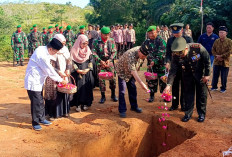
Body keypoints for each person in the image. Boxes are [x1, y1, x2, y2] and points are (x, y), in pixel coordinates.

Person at [24, 38, 68, 131]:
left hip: (38, 81)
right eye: (55, 51)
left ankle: (42, 118)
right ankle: (35, 122)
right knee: (36, 102)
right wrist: (61, 80)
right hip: (33, 81)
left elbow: (50, 66)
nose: (55, 54)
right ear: (51, 49)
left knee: (40, 101)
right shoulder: (41, 55)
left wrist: (59, 72)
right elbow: (49, 70)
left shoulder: (42, 48)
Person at [164, 37, 210, 122]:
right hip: (187, 75)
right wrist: (168, 85)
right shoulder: (176, 54)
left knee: (202, 95)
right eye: (179, 54)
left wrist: (207, 75)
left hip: (200, 75)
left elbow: (207, 60)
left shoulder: (198, 47)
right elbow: (173, 70)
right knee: (188, 95)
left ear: (186, 48)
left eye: (182, 53)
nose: (181, 56)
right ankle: (188, 114)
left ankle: (201, 114)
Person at [115, 45, 150, 118]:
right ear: (139, 51)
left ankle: (134, 106)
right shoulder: (130, 55)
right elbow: (133, 71)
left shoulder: (143, 51)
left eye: (145, 56)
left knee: (133, 89)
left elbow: (136, 67)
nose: (144, 58)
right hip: (122, 72)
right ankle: (122, 110)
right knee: (122, 91)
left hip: (132, 72)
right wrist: (142, 83)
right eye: (143, 56)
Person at [166, 23, 193, 112]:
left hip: (186, 66)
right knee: (174, 86)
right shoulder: (170, 40)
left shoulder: (188, 39)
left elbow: (192, 54)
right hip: (175, 65)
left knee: (185, 86)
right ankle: (174, 104)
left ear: (182, 30)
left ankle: (183, 105)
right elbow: (168, 54)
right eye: (174, 33)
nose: (176, 34)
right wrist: (167, 62)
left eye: (177, 32)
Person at [44, 34, 71, 120]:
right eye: (61, 42)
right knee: (53, 93)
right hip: (52, 76)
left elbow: (69, 61)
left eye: (64, 42)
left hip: (64, 74)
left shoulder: (65, 49)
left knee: (63, 90)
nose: (63, 44)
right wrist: (58, 72)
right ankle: (52, 113)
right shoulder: (50, 50)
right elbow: (49, 66)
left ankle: (64, 111)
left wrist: (68, 69)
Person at [92, 27, 118, 104]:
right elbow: (94, 52)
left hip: (109, 62)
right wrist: (100, 61)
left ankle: (113, 95)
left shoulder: (111, 41)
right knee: (101, 80)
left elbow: (114, 51)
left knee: (112, 78)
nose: (107, 36)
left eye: (108, 34)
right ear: (101, 34)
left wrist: (109, 60)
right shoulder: (96, 41)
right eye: (105, 34)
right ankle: (103, 96)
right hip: (100, 63)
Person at [70, 35, 94, 112]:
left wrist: (88, 69)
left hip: (86, 72)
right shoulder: (74, 50)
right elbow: (71, 61)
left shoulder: (88, 50)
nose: (85, 45)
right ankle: (78, 104)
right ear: (79, 42)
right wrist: (77, 70)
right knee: (78, 88)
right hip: (77, 73)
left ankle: (85, 103)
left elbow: (91, 60)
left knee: (86, 87)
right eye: (83, 43)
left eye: (86, 44)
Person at [144, 26, 167, 102]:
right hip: (151, 66)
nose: (151, 35)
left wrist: (155, 61)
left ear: (156, 32)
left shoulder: (161, 41)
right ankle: (151, 96)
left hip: (161, 65)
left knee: (163, 82)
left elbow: (162, 53)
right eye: (149, 33)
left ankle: (165, 96)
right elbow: (143, 52)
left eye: (152, 33)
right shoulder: (147, 42)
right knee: (151, 81)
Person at [211, 26, 232, 93]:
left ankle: (223, 88)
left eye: (222, 32)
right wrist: (217, 56)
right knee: (215, 75)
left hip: (225, 62)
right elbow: (213, 49)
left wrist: (222, 56)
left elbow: (230, 51)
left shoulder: (229, 41)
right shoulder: (216, 41)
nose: (221, 34)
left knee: (224, 76)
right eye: (220, 32)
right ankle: (214, 87)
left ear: (226, 33)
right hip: (217, 61)